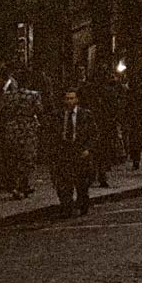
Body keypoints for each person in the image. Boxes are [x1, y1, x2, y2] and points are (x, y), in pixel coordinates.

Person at [47, 88, 96, 218]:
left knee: (81, 183)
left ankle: (82, 204)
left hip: (79, 150)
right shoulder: (57, 115)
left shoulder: (86, 114)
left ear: (77, 99)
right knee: (64, 183)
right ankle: (66, 207)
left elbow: (93, 134)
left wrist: (88, 149)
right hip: (64, 151)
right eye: (67, 98)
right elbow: (51, 133)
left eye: (72, 98)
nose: (69, 101)